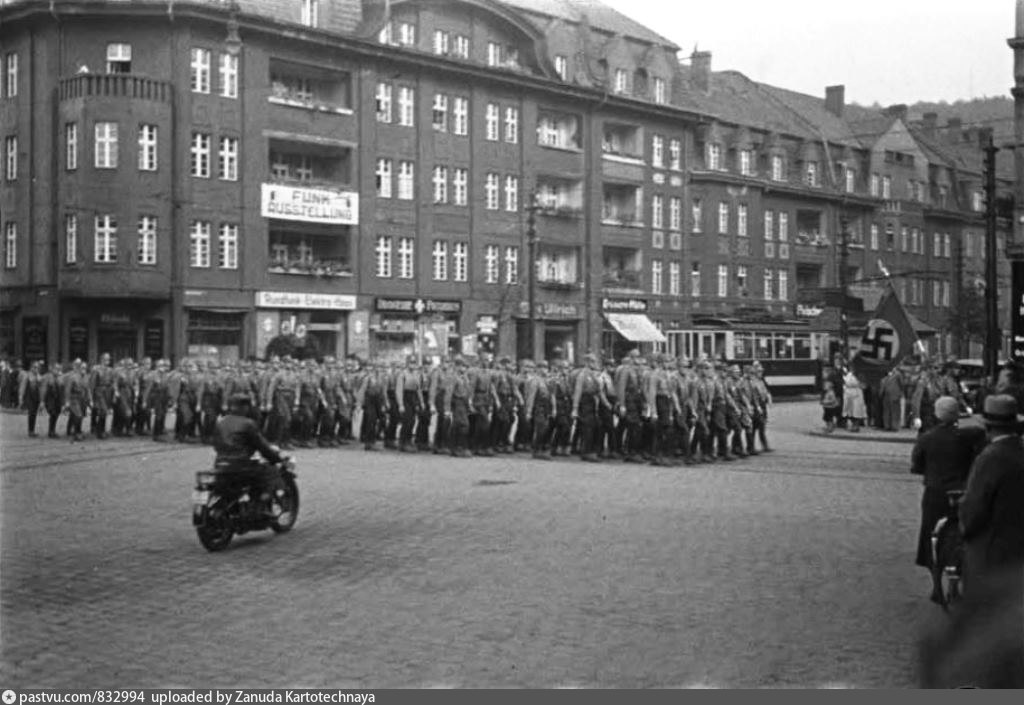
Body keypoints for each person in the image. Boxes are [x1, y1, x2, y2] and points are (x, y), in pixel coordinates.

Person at [920, 394, 1024, 689]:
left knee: (989, 622)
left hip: (993, 551)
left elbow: (973, 509)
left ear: (988, 427)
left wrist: (964, 526)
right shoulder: (1020, 453)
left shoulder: (990, 459)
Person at [909, 396, 986, 600]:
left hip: (936, 493)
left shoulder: (927, 438)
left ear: (936, 414)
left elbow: (916, 465)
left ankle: (936, 584)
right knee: (967, 533)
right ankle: (962, 577)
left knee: (930, 535)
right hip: (962, 492)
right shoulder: (968, 436)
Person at [212, 393, 287, 519]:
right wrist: (276, 458)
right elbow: (262, 447)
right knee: (270, 472)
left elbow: (215, 444)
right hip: (241, 466)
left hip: (220, 464)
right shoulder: (248, 423)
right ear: (245, 407)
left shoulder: (220, 422)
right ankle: (262, 506)